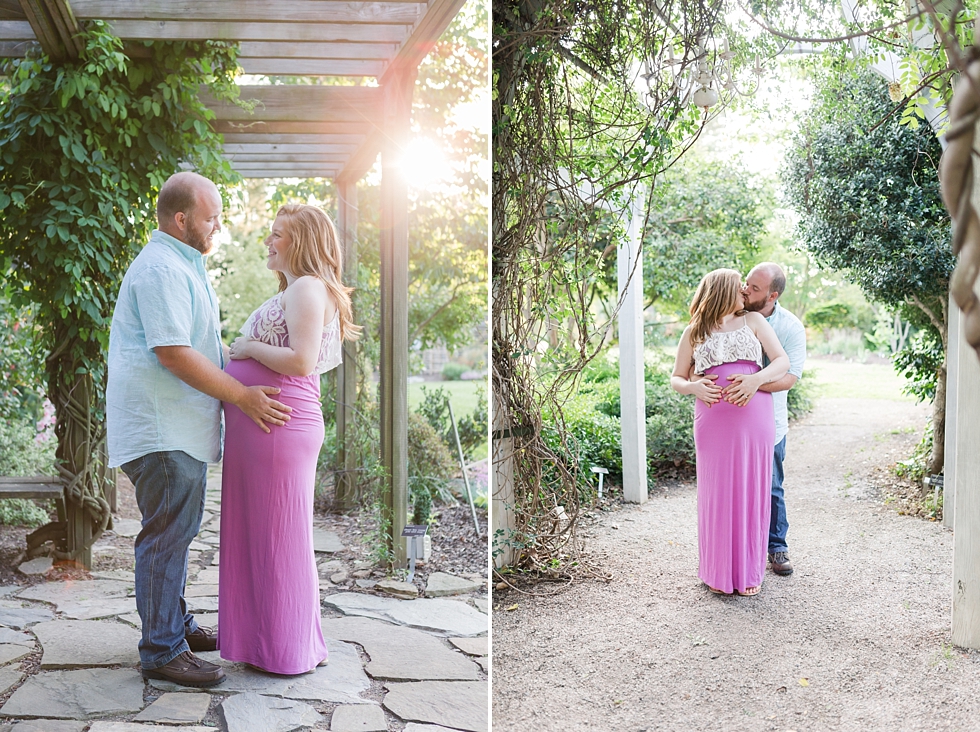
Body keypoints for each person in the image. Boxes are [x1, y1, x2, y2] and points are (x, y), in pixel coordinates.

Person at [107, 171, 293, 687]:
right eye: (211, 218)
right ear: (181, 218)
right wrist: (242, 395)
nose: (219, 226)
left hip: (176, 428)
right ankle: (163, 651)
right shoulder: (163, 268)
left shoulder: (179, 264)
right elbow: (172, 352)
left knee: (176, 533)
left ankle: (174, 626)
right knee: (167, 537)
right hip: (163, 429)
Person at [217, 203, 359, 675]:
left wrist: (246, 349)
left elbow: (300, 360)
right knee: (264, 535)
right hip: (265, 426)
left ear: (300, 242)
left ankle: (285, 650)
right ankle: (270, 642)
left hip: (278, 424)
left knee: (279, 537)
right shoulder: (297, 289)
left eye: (277, 234)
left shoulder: (306, 287)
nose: (268, 241)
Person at [670, 269, 789, 596]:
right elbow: (677, 377)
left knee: (752, 487)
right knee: (717, 493)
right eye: (740, 289)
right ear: (722, 291)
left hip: (754, 416)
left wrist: (756, 380)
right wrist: (693, 386)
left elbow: (782, 361)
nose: (745, 294)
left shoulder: (753, 321)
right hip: (712, 421)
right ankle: (718, 572)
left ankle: (749, 573)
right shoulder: (694, 331)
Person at [740, 262, 807, 576]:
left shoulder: (790, 326)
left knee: (771, 487)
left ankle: (777, 547)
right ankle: (740, 548)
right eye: (747, 283)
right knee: (736, 487)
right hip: (734, 418)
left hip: (771, 421)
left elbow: (790, 377)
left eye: (755, 288)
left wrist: (752, 384)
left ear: (773, 294)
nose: (746, 290)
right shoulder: (732, 315)